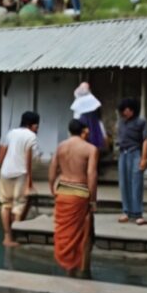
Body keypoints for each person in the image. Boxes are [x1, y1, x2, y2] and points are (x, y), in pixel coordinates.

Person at [49, 119, 99, 277]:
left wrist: (52, 189)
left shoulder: (61, 147)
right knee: (83, 233)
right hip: (79, 190)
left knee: (66, 234)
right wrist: (93, 200)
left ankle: (69, 269)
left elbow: (52, 170)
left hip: (63, 188)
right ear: (84, 131)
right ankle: (82, 269)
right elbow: (91, 174)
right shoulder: (90, 149)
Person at [0, 111, 39, 247]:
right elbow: (28, 160)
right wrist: (30, 181)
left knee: (5, 204)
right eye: (36, 125)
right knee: (19, 205)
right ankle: (15, 235)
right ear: (31, 125)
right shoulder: (31, 136)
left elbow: (0, 156)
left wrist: (2, 167)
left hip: (5, 172)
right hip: (20, 172)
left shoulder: (10, 133)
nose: (37, 128)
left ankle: (6, 237)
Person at [116, 98, 147, 225]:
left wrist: (144, 158)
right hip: (122, 153)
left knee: (136, 183)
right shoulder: (121, 122)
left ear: (132, 110)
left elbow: (146, 139)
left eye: (126, 110)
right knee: (124, 183)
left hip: (135, 153)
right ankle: (126, 211)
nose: (124, 113)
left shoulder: (141, 122)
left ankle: (137, 213)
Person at [70, 82, 106, 152]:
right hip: (82, 134)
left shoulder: (93, 105)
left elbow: (99, 121)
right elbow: (75, 120)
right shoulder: (79, 104)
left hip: (92, 133)